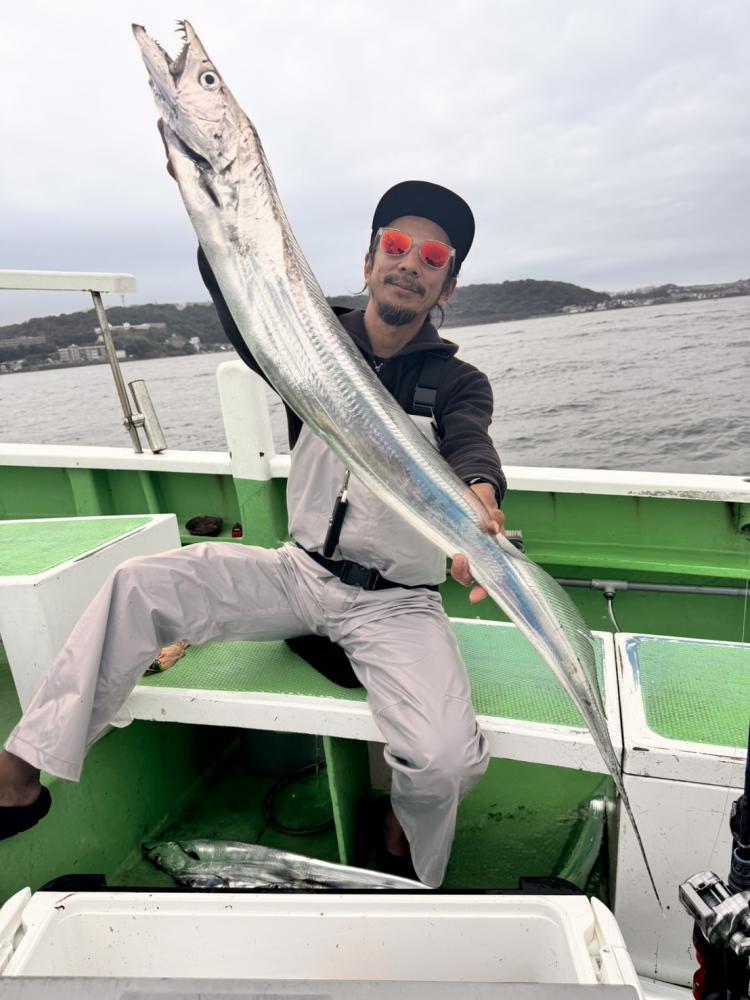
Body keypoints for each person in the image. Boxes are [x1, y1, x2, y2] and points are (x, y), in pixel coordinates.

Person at [0, 180, 506, 888]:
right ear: (368, 262)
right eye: (395, 245)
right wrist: (213, 205)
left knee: (444, 760)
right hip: (298, 575)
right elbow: (244, 310)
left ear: (447, 285)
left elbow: (471, 444)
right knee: (140, 584)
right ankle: (19, 773)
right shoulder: (312, 346)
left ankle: (401, 837)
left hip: (397, 603)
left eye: (432, 257)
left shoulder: (457, 383)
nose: (409, 263)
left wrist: (481, 497)